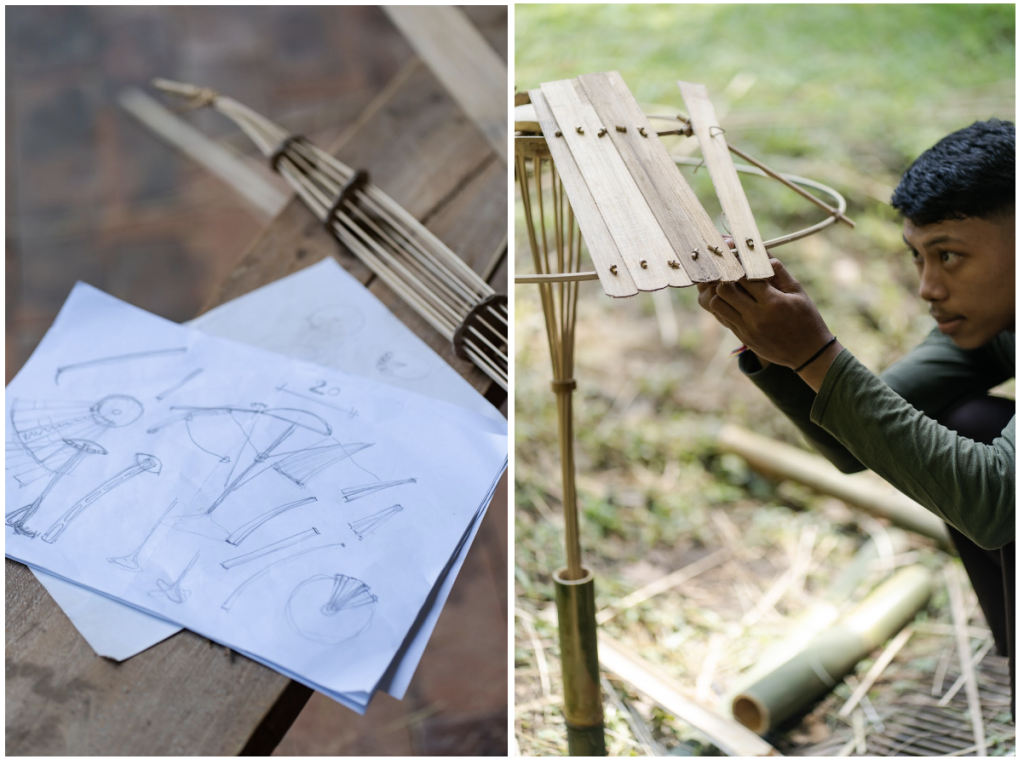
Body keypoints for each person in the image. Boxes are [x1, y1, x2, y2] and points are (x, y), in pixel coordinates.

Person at [697, 118, 1014, 706]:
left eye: (949, 256)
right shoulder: (991, 322)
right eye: (919, 256)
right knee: (966, 424)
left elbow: (998, 504)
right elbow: (853, 442)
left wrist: (817, 354)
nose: (928, 288)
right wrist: (774, 346)